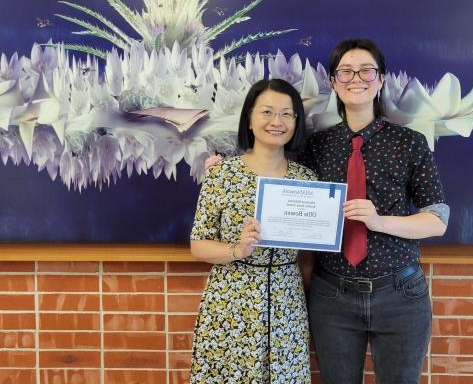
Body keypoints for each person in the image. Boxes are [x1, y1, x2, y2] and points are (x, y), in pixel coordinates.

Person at [298, 38, 449, 384]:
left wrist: (378, 221)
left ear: (380, 80)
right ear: (334, 82)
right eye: (346, 71)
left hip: (399, 293)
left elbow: (437, 220)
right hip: (331, 294)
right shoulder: (317, 146)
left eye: (367, 70)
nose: (356, 78)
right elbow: (290, 198)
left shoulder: (409, 142)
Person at [189, 78, 315, 383]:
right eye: (267, 112)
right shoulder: (222, 174)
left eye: (287, 114)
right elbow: (198, 245)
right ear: (249, 117)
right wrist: (236, 249)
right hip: (232, 302)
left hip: (288, 303)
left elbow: (309, 255)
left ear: (296, 122)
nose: (277, 122)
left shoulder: (307, 180)